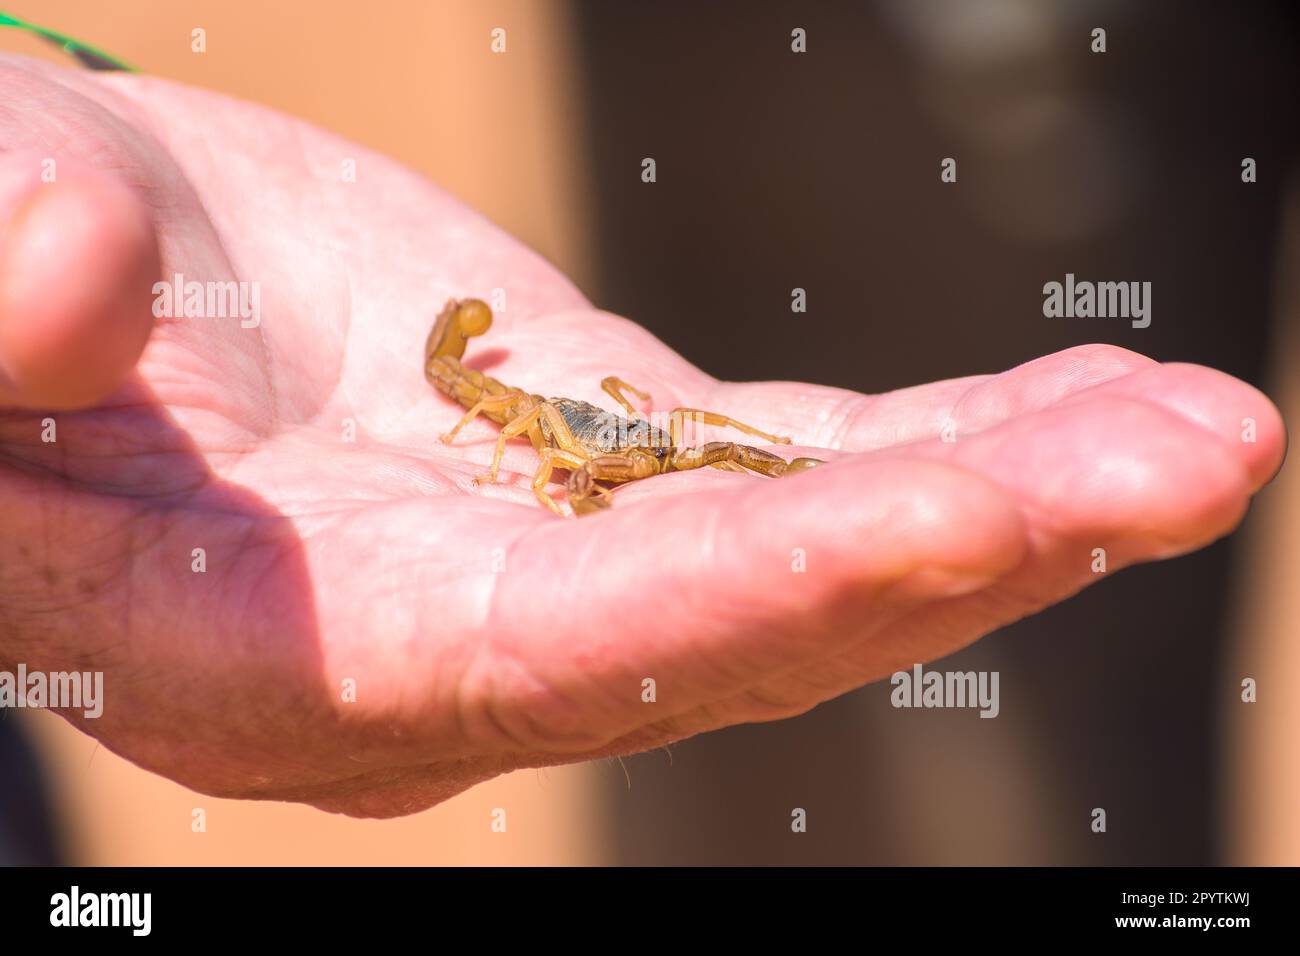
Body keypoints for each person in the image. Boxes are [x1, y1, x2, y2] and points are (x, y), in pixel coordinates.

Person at [0, 53, 1284, 818]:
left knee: (696, 450)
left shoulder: (631, 440)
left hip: (586, 421)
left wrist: (633, 452)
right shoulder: (513, 417)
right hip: (541, 415)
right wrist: (545, 470)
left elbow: (626, 443)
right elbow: (536, 444)